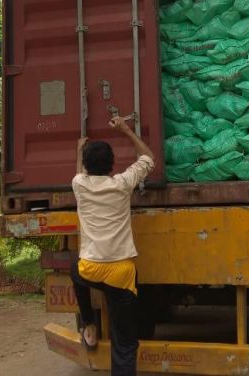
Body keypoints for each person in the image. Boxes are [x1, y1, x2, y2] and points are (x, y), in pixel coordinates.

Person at [70, 116, 155, 376]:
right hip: (120, 274)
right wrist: (126, 130)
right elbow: (149, 159)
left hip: (91, 270)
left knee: (74, 268)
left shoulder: (79, 186)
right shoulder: (121, 184)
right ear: (112, 165)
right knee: (125, 344)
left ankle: (88, 323)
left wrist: (79, 149)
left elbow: (78, 173)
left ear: (85, 165)